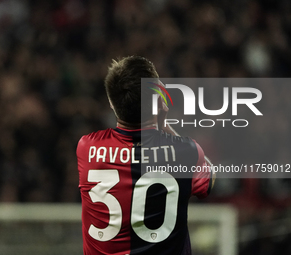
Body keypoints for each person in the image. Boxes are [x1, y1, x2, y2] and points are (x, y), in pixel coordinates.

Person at [77, 56, 215, 255]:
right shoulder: (186, 151)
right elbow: (208, 182)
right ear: (158, 101)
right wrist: (165, 127)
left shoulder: (86, 147)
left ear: (111, 103)